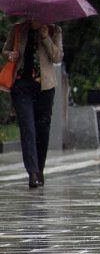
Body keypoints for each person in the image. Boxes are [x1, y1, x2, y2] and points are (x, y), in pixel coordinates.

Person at [2, 20, 63, 188]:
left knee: (42, 130)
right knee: (27, 127)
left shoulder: (54, 29)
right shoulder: (18, 28)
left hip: (45, 87)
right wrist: (9, 55)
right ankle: (32, 173)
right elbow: (6, 50)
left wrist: (45, 37)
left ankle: (39, 169)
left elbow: (57, 57)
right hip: (21, 86)